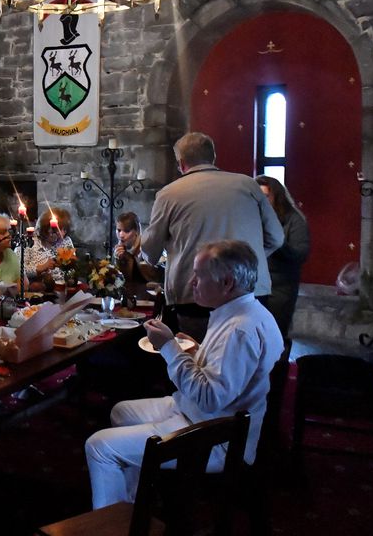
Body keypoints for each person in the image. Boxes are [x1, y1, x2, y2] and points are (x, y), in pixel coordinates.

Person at [84, 240, 284, 509]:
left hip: (217, 437)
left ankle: (116, 524)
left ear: (227, 283)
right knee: (121, 412)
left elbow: (210, 398)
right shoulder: (248, 312)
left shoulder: (240, 330)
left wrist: (169, 346)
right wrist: (198, 351)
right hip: (206, 415)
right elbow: (233, 374)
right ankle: (132, 504)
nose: (192, 282)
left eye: (199, 275)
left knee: (98, 447)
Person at [142, 132, 284, 341]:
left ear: (181, 163)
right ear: (213, 157)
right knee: (248, 355)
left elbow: (150, 251)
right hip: (249, 291)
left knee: (198, 355)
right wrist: (243, 262)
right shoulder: (248, 185)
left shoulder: (169, 194)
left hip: (195, 295)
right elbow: (277, 237)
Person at [255, 175, 311, 338]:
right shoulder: (252, 219)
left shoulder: (294, 220)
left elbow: (300, 254)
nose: (261, 202)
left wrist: (276, 242)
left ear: (276, 197)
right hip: (255, 285)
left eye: (265, 197)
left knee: (276, 333)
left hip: (280, 286)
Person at [22, 208, 75, 284]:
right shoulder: (29, 242)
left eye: (65, 230)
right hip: (38, 287)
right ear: (45, 229)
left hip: (63, 286)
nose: (62, 234)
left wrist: (65, 264)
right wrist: (41, 268)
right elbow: (18, 271)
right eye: (57, 230)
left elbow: (72, 267)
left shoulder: (66, 240)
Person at [113, 211, 161, 289]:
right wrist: (118, 260)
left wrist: (130, 258)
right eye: (119, 230)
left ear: (136, 231)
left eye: (127, 231)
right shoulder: (119, 249)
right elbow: (119, 281)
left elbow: (154, 277)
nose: (121, 235)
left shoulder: (146, 247)